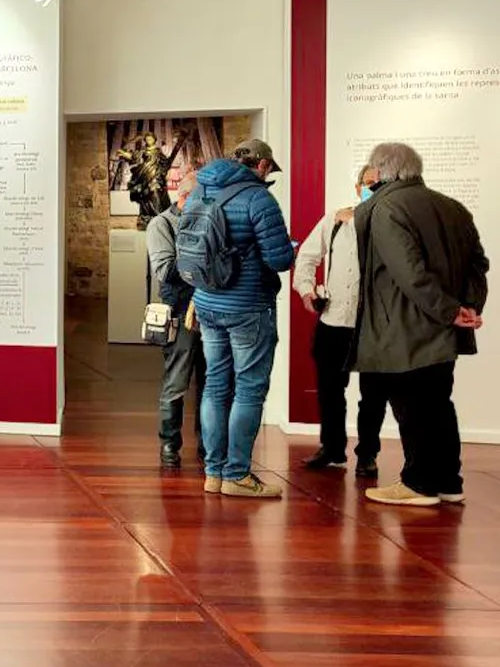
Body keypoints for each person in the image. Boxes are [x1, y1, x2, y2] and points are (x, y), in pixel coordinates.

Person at [352, 143, 488, 508]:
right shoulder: (454, 207)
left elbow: (409, 273)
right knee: (439, 404)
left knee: (412, 406)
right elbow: (478, 264)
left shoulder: (386, 208)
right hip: (444, 329)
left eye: (373, 169)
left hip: (405, 328)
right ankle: (449, 482)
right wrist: (468, 307)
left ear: (383, 171)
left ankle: (419, 483)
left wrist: (449, 310)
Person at [187, 140, 295, 498]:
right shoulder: (259, 198)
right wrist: (289, 247)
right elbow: (279, 260)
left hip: (206, 302)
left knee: (215, 385)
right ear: (262, 165)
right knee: (249, 388)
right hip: (247, 306)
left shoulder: (200, 190)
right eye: (269, 168)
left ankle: (213, 473)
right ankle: (236, 474)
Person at [292, 164, 389, 478]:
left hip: (373, 324)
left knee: (373, 395)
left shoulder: (392, 225)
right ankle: (332, 448)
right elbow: (307, 256)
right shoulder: (334, 220)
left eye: (379, 184)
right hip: (333, 320)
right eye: (368, 183)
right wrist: (307, 291)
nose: (372, 188)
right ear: (357, 186)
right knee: (329, 390)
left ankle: (367, 454)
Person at [146, 173, 205, 469]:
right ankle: (169, 444)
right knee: (177, 381)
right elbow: (166, 270)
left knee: (211, 383)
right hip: (180, 315)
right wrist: (202, 253)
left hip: (209, 313)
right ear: (186, 197)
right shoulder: (161, 225)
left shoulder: (205, 222)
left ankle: (207, 443)